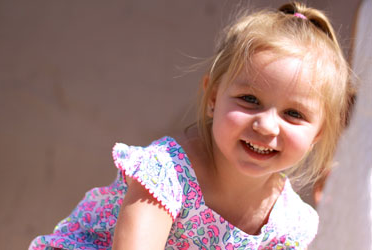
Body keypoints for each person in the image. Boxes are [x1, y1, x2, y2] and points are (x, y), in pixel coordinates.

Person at [29, 2, 354, 249]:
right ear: (213, 97)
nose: (267, 126)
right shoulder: (166, 173)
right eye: (249, 100)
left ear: (319, 134)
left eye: (294, 114)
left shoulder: (290, 223)